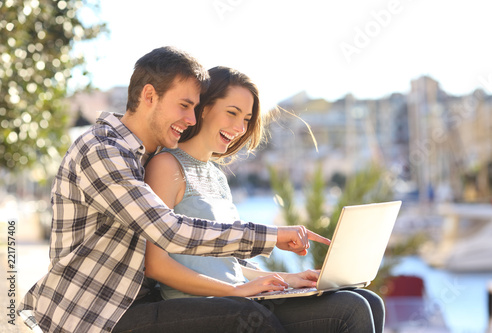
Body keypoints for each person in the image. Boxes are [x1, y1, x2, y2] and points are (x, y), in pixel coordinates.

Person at [17, 46, 330, 333]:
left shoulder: (145, 156)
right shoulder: (102, 151)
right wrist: (272, 236)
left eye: (195, 107)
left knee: (351, 305)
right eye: (184, 106)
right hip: (94, 315)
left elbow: (207, 256)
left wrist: (285, 281)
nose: (191, 119)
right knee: (242, 316)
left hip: (139, 303)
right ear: (149, 96)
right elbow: (168, 231)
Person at [140, 66, 386, 332]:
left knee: (370, 301)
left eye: (246, 118)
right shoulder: (165, 165)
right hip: (202, 309)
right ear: (204, 108)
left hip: (236, 297)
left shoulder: (217, 176)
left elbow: (228, 265)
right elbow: (156, 265)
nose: (239, 127)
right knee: (351, 309)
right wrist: (237, 291)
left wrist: (290, 279)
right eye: (232, 113)